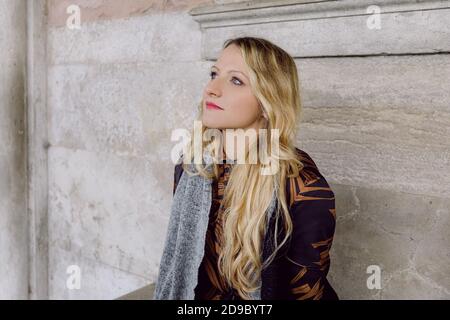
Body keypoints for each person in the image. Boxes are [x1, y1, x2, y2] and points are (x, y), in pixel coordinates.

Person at [156, 36, 338, 300]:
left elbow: (306, 296)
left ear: (267, 102)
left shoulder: (305, 190)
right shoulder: (192, 166)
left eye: (236, 80)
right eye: (214, 74)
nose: (212, 89)